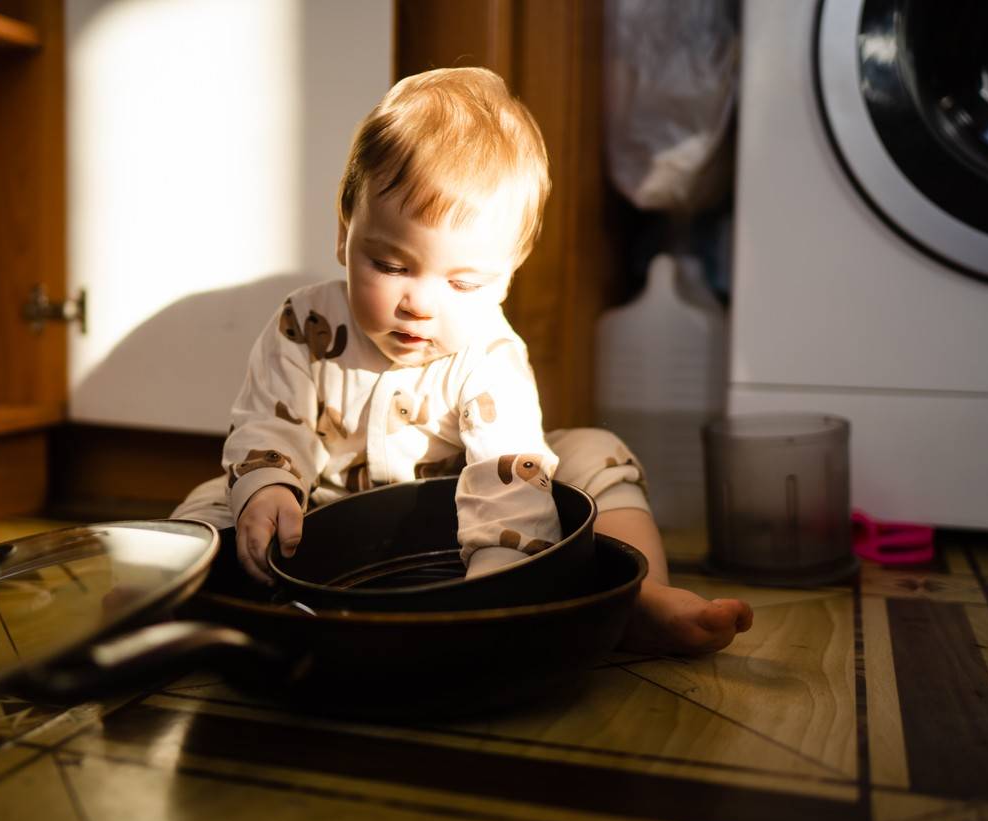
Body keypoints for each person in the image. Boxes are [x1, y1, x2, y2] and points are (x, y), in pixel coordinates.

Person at [173, 67, 752, 655]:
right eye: (391, 266)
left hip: (461, 511)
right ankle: (167, 598)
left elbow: (507, 480)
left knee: (596, 455)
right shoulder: (304, 324)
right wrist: (268, 488)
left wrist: (495, 583)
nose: (419, 303)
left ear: (506, 278)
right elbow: (268, 425)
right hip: (323, 516)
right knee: (209, 503)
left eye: (464, 282)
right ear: (344, 232)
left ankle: (637, 596)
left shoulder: (490, 355)